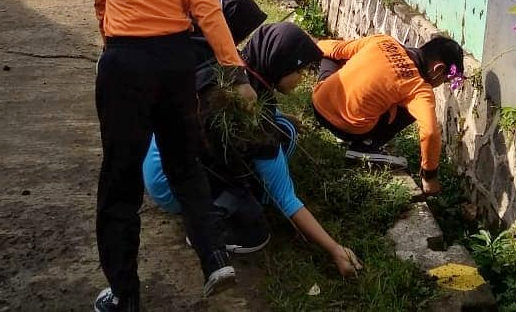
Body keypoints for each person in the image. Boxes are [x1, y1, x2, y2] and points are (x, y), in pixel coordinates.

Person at [92, 0, 255, 310]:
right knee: (185, 166)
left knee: (119, 183)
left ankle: (125, 295)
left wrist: (119, 58)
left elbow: (102, 10)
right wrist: (237, 73)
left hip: (124, 64)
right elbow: (209, 15)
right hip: (175, 64)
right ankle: (214, 258)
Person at [143, 22, 364, 278]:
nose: (301, 79)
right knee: (255, 232)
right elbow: (287, 199)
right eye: (300, 70)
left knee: (282, 128)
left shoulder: (234, 70)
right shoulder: (251, 120)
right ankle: (207, 229)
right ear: (281, 62)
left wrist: (284, 117)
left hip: (159, 160)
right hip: (171, 187)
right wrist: (334, 249)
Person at [311, 34, 465, 196]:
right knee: (412, 110)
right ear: (438, 69)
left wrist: (308, 49)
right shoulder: (419, 88)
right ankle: (366, 145)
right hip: (348, 129)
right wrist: (429, 177)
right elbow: (430, 132)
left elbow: (333, 48)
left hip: (319, 105)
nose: (441, 84)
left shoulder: (383, 41)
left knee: (335, 55)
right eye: (445, 80)